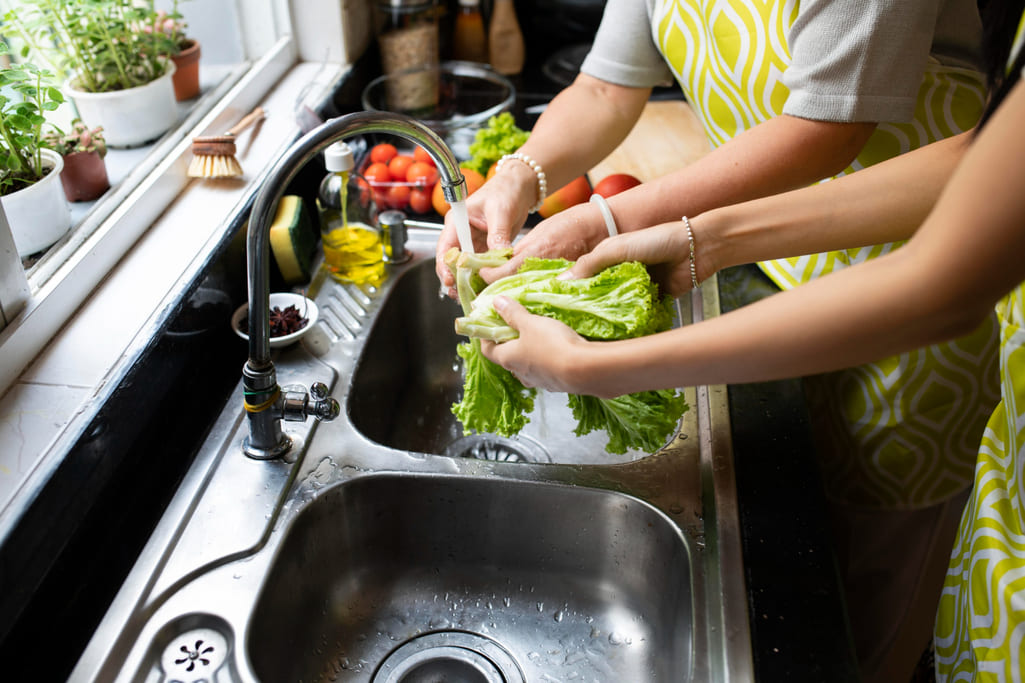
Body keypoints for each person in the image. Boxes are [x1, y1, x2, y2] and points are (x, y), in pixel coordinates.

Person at [437, 2, 1002, 680]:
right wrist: (518, 176)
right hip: (771, 258)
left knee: (858, 617)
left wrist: (602, 356)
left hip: (904, 333)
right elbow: (603, 86)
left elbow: (906, 226)